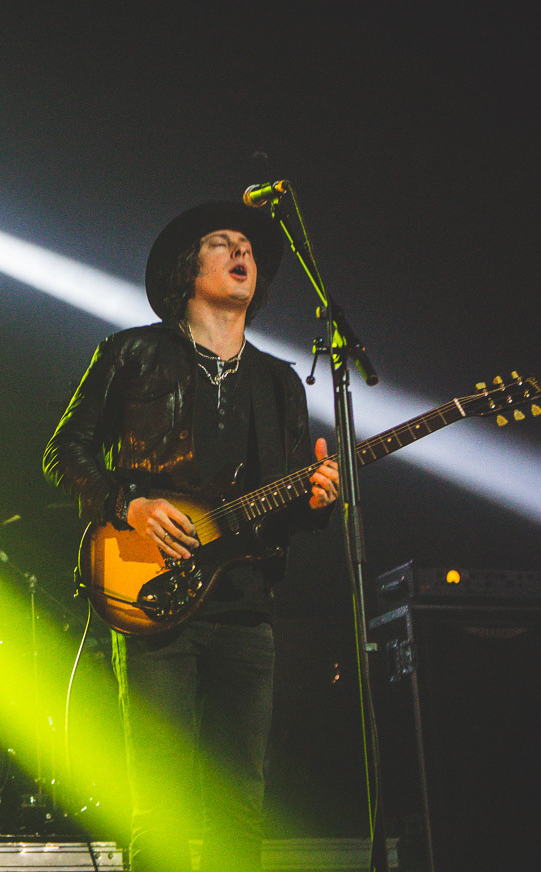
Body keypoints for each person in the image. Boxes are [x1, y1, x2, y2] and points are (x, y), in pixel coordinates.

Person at [43, 200, 339, 872]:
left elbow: (284, 503)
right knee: (161, 799)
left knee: (241, 800)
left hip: (245, 604)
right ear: (188, 266)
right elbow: (66, 451)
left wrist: (319, 497)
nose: (242, 253)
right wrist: (132, 503)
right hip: (152, 598)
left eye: (250, 249)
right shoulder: (131, 353)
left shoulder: (279, 380)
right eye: (222, 242)